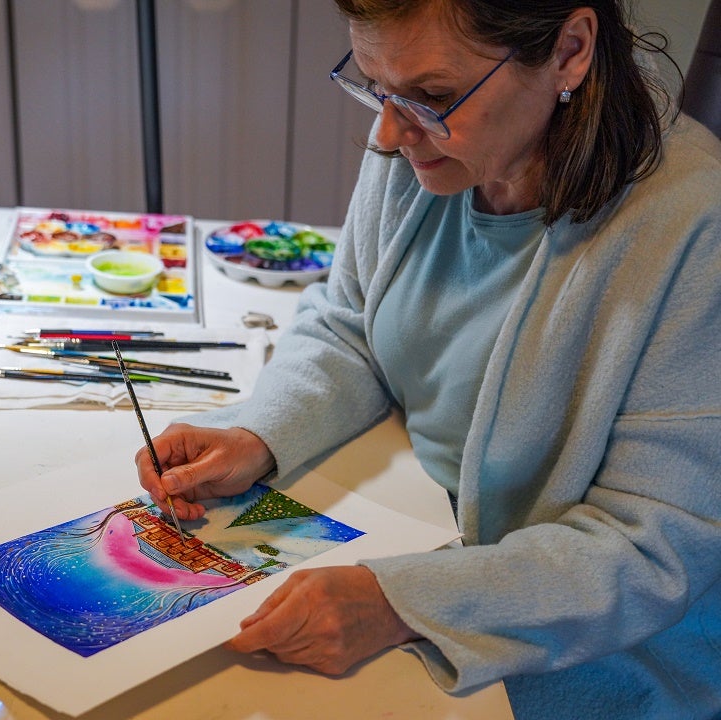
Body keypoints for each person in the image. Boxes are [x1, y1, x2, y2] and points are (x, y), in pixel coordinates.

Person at [135, 1, 721, 718]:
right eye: (375, 86)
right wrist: (260, 432)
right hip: (403, 548)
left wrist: (401, 603)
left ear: (570, 50)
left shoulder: (698, 231)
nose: (387, 131)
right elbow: (349, 323)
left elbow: (652, 550)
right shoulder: (424, 149)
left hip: (590, 660)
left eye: (434, 97)